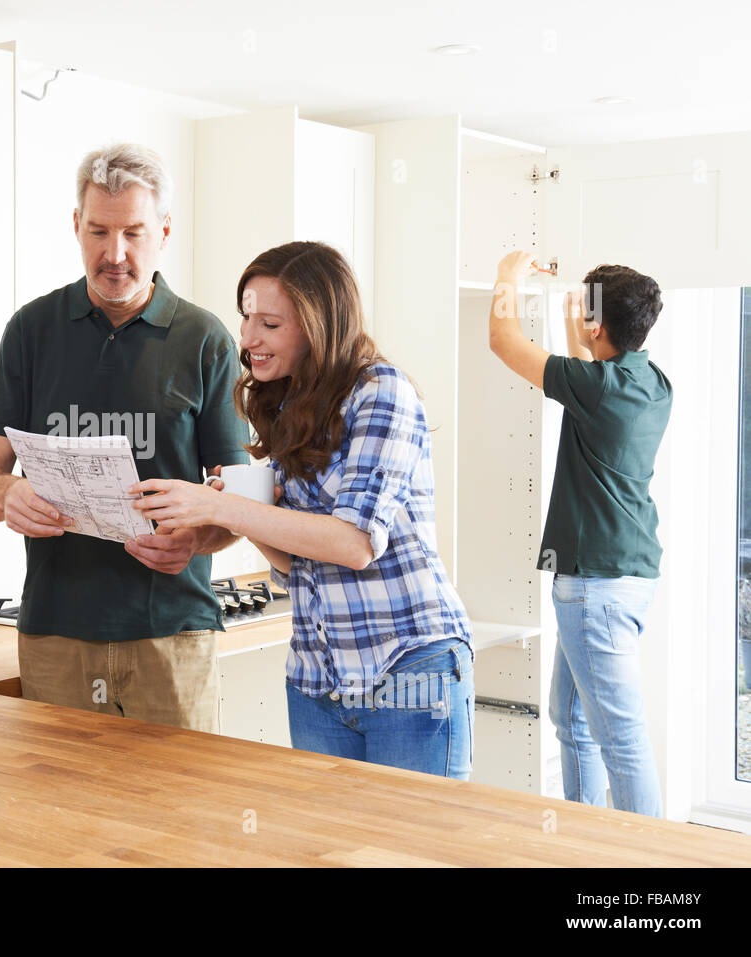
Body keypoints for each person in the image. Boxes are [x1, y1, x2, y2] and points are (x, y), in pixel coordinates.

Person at [130, 241, 476, 778]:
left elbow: (354, 544)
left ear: (318, 324)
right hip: (319, 677)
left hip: (407, 667)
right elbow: (301, 564)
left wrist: (221, 508)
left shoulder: (381, 391)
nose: (246, 339)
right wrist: (232, 508)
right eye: (246, 319)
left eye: (269, 324)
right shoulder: (289, 403)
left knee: (411, 853)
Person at [0, 143, 249, 732]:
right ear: (76, 226)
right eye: (98, 231)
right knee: (60, 815)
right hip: (55, 632)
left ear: (164, 232)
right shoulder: (31, 330)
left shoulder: (206, 339)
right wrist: (5, 495)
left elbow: (240, 498)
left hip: (171, 633)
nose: (114, 254)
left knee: (178, 812)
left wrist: (198, 537)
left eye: (133, 233)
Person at [488, 251, 671, 817]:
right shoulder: (649, 381)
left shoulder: (596, 385)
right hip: (622, 575)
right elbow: (585, 362)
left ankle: (648, 861)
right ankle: (586, 832)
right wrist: (581, 319)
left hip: (594, 587)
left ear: (597, 323)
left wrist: (507, 279)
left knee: (620, 736)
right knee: (570, 718)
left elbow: (504, 341)